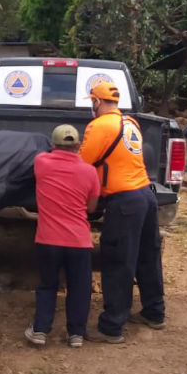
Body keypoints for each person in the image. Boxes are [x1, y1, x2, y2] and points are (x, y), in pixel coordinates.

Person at [79, 82, 165, 344]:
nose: (91, 107)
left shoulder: (99, 126)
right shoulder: (131, 123)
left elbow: (82, 163)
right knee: (147, 257)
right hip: (145, 196)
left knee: (118, 261)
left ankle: (111, 327)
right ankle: (154, 312)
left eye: (92, 102)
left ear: (97, 102)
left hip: (124, 201)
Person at [24, 124, 100, 348]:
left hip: (48, 240)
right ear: (78, 146)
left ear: (52, 145)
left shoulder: (41, 163)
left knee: (48, 285)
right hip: (78, 241)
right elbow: (92, 207)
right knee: (79, 287)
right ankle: (76, 334)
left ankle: (40, 331)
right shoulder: (89, 171)